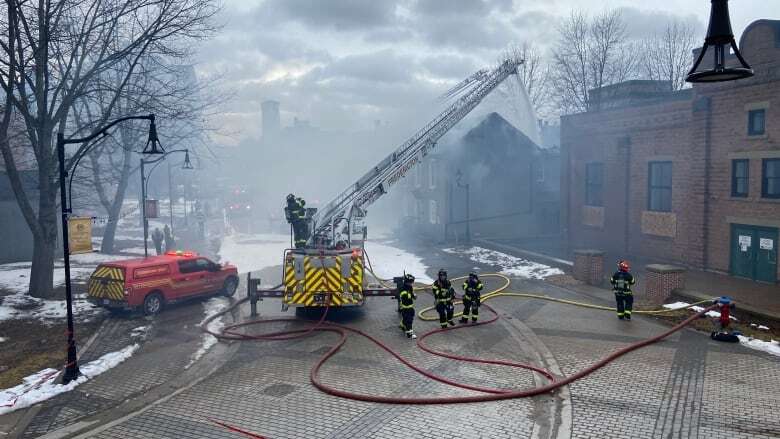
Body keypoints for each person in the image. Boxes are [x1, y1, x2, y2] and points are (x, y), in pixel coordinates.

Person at [398, 274, 417, 339]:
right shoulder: (403, 289)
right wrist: (411, 295)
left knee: (407, 319)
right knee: (409, 320)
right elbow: (405, 297)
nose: (411, 283)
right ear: (407, 281)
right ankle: (410, 334)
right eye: (410, 282)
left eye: (412, 282)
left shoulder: (409, 287)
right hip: (406, 308)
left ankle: (402, 325)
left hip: (410, 307)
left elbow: (411, 294)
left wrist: (414, 296)